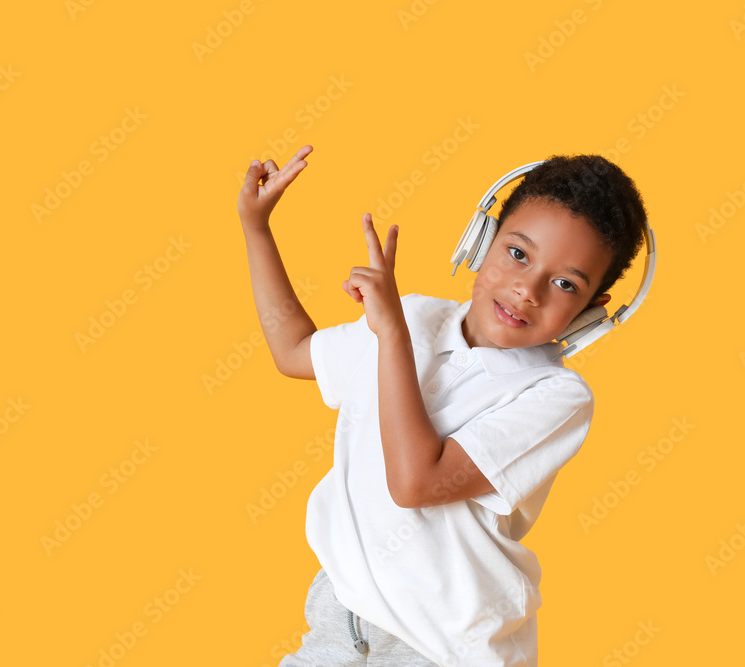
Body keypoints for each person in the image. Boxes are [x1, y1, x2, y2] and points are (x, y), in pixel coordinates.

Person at [238, 145, 649, 666]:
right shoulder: (412, 315)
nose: (527, 289)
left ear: (589, 312)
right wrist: (257, 228)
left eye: (566, 284)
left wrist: (391, 335)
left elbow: (417, 484)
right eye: (518, 253)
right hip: (340, 622)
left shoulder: (555, 397)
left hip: (444, 649)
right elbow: (292, 351)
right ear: (482, 240)